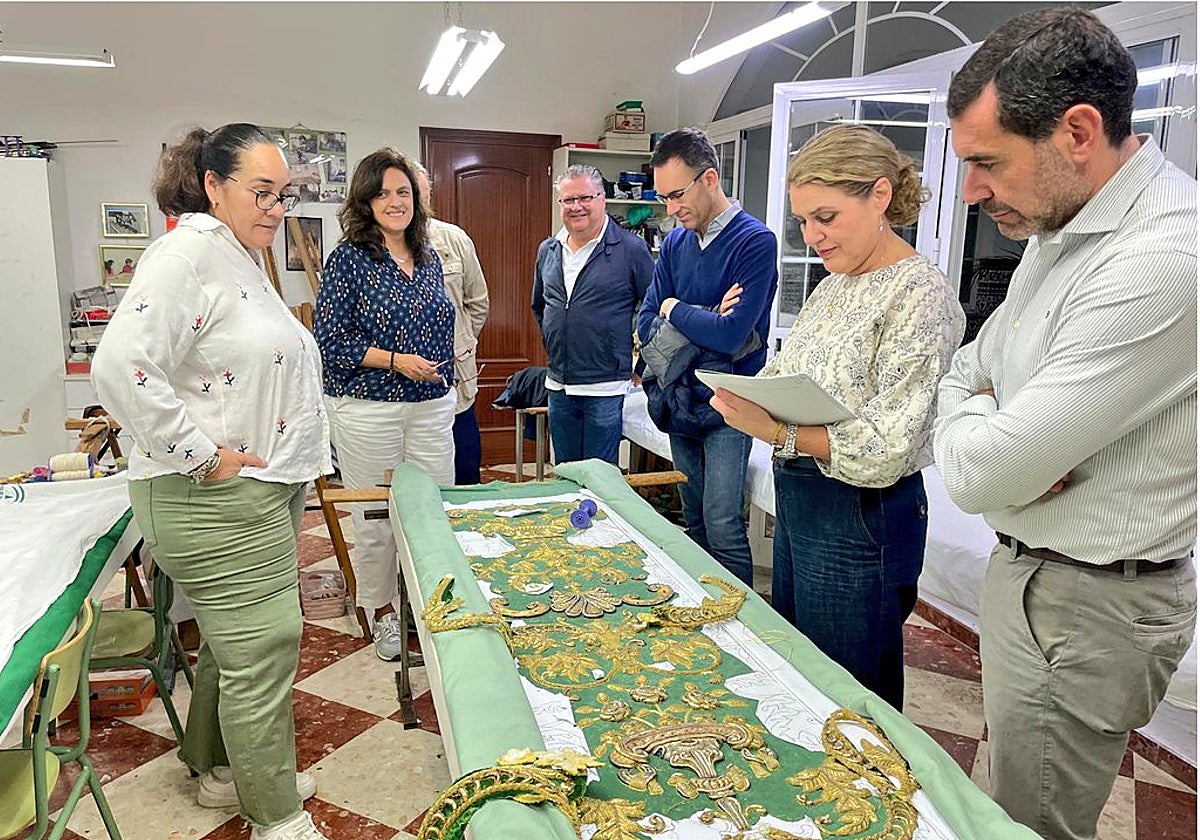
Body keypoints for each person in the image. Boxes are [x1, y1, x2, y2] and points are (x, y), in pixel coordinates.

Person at [932, 9, 1197, 840]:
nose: (971, 192)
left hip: (1090, 598)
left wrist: (992, 423)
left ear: (1077, 131)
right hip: (1040, 573)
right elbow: (967, 368)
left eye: (985, 164)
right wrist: (986, 412)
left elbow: (979, 474)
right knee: (1013, 793)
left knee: (1032, 822)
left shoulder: (1163, 258)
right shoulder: (1062, 228)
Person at [91, 123, 331, 840]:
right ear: (213, 185)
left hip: (261, 488)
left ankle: (224, 773)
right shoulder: (188, 253)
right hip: (216, 496)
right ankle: (277, 820)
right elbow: (120, 368)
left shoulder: (236, 256)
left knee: (237, 647)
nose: (274, 207)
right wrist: (201, 454)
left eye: (281, 195)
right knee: (262, 649)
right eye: (260, 191)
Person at [710, 124, 965, 709]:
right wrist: (750, 392)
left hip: (864, 511)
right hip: (805, 494)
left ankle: (867, 796)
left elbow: (891, 443)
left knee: (851, 691)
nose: (813, 235)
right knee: (804, 665)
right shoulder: (835, 285)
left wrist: (777, 430)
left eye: (825, 216)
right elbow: (795, 372)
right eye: (803, 220)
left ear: (879, 196)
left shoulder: (919, 292)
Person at [313, 148, 456, 661]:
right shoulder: (349, 260)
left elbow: (441, 325)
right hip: (369, 408)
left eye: (404, 192)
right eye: (383, 193)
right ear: (365, 200)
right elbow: (330, 341)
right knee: (376, 518)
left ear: (417, 198)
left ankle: (426, 605)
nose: (395, 202)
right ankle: (383, 613)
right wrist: (397, 361)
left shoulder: (431, 258)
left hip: (431, 405)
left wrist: (445, 372)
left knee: (433, 512)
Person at [636, 128, 777, 586]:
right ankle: (702, 618)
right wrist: (705, 318)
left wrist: (675, 310)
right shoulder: (677, 243)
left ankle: (744, 627)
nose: (671, 210)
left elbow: (735, 334)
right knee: (693, 518)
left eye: (677, 195)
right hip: (678, 400)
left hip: (730, 404)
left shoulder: (754, 242)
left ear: (710, 178)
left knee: (722, 524)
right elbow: (644, 321)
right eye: (663, 199)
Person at [533, 164, 654, 464]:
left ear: (602, 198)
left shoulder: (631, 249)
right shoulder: (548, 250)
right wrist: (557, 348)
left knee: (600, 478)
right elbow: (541, 307)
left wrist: (642, 366)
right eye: (568, 200)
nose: (576, 207)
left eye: (585, 198)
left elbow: (654, 310)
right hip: (559, 385)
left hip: (605, 386)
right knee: (565, 472)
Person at [411, 160, 491, 485]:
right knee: (414, 480)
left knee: (464, 471)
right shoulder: (370, 248)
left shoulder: (453, 240)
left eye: (418, 192)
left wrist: (461, 342)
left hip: (454, 382)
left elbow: (477, 302)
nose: (410, 202)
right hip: (399, 390)